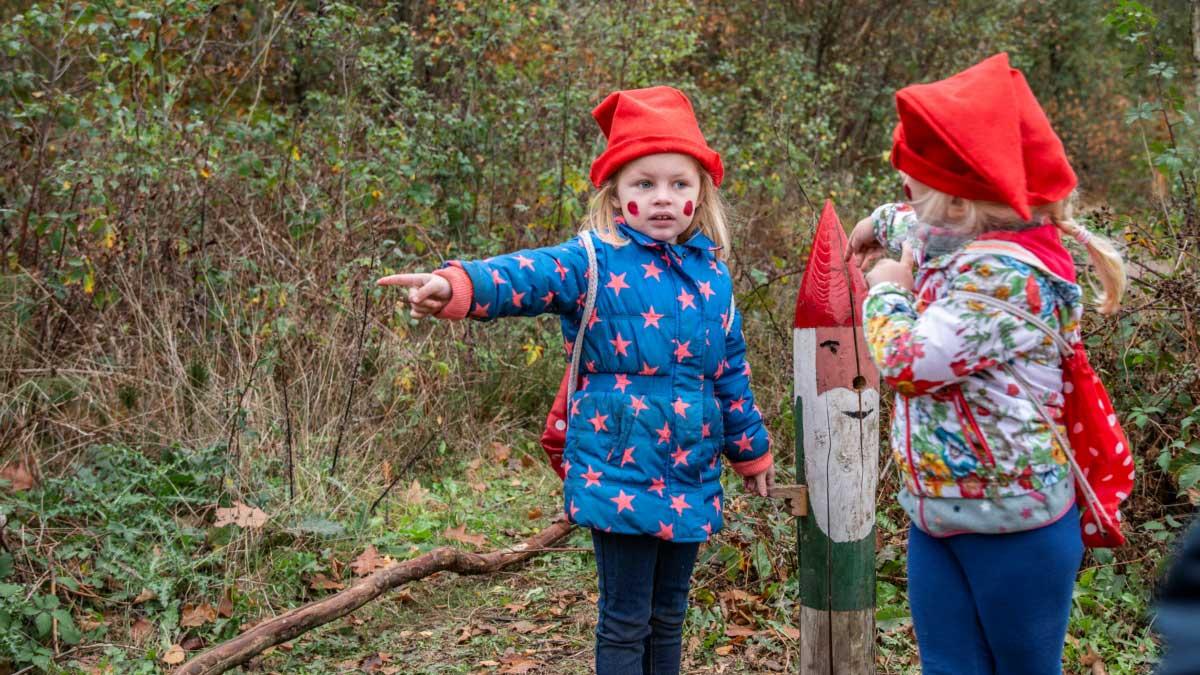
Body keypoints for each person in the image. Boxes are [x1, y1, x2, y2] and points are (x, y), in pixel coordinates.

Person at [377, 85, 774, 675]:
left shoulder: (712, 277)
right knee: (625, 618)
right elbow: (525, 274)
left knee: (669, 615)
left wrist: (752, 454)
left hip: (692, 471)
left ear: (700, 194)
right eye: (645, 183)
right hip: (618, 471)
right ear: (616, 195)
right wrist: (457, 287)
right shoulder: (594, 260)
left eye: (678, 183)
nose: (663, 198)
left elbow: (729, 374)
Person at [846, 53, 1127, 674]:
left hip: (1016, 523)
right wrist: (879, 224)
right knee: (948, 666)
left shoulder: (1003, 276)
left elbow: (909, 362)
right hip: (938, 513)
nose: (904, 195)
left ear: (958, 199)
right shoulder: (970, 238)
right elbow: (923, 231)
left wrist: (888, 289)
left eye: (912, 186)